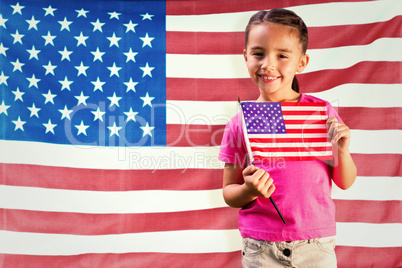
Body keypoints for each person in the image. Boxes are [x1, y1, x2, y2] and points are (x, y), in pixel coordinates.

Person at [219, 9, 357, 267]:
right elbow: (229, 192)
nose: (268, 64)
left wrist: (343, 151)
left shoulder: (320, 113)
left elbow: (345, 181)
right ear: (246, 56)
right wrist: (249, 190)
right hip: (261, 246)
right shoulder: (240, 123)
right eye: (258, 53)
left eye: (282, 55)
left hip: (316, 243)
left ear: (302, 62)